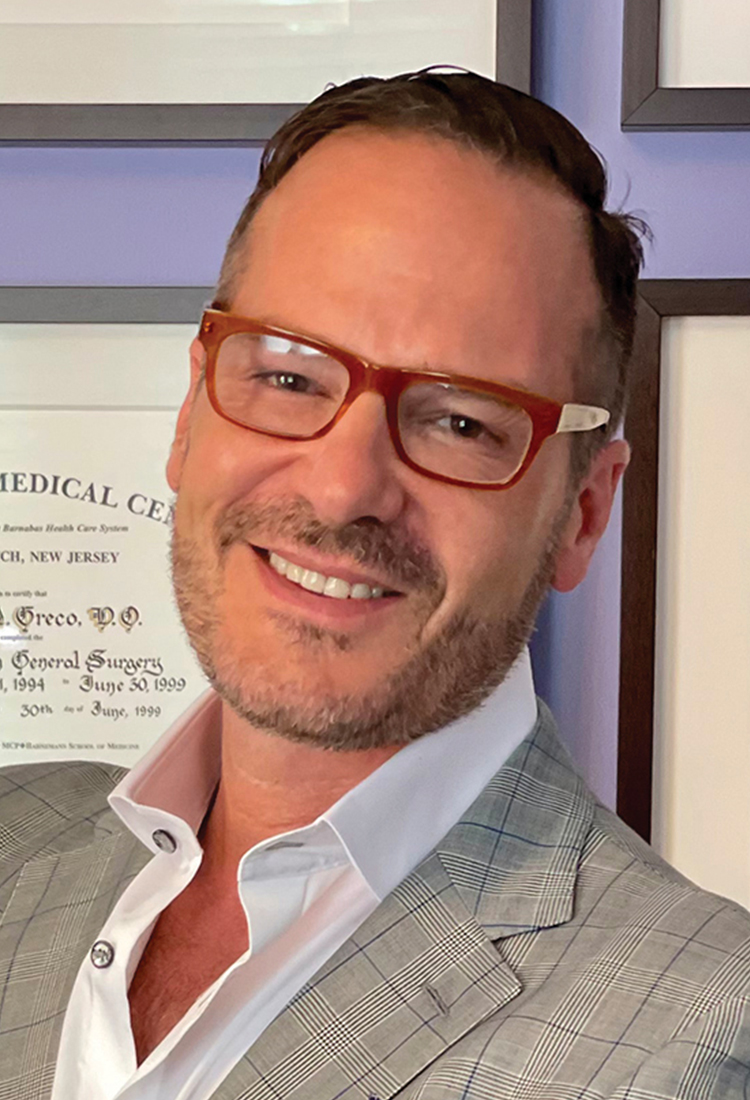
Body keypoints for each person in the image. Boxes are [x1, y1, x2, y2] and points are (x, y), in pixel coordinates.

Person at [2, 70, 749, 1100]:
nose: (344, 486)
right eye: (289, 376)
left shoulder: (699, 1040)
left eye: (462, 421)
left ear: (583, 512)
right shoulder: (15, 836)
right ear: (190, 415)